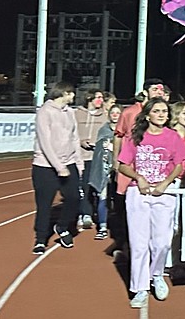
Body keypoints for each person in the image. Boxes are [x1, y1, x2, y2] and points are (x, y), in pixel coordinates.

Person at [116, 98, 185, 309]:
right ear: (148, 115)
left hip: (164, 194)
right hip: (138, 194)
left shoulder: (172, 137)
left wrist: (165, 183)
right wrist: (139, 178)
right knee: (139, 245)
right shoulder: (136, 137)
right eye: (157, 111)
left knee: (162, 242)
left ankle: (156, 274)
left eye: (164, 111)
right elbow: (122, 165)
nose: (162, 114)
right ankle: (139, 288)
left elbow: (179, 164)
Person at [111, 79, 167, 262]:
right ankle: (124, 244)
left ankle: (151, 250)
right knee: (125, 207)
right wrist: (115, 162)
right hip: (129, 166)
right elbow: (118, 136)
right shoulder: (129, 112)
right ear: (145, 92)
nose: (159, 92)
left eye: (161, 89)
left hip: (154, 167)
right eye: (154, 89)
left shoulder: (165, 113)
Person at [31, 82, 83, 254]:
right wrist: (58, 166)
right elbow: (44, 142)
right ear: (64, 93)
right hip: (45, 166)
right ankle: (40, 239)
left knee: (74, 197)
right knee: (45, 204)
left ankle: (62, 227)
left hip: (69, 162)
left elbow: (74, 138)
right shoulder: (45, 112)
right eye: (71, 93)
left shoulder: (70, 113)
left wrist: (78, 162)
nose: (73, 96)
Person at [75, 89, 108, 231]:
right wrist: (81, 141)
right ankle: (83, 213)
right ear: (89, 98)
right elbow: (71, 133)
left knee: (93, 186)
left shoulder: (104, 116)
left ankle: (89, 213)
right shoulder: (77, 114)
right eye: (98, 97)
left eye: (102, 98)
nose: (101, 100)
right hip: (79, 155)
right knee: (81, 186)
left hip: (96, 156)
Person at [88, 104, 122, 241]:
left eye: (118, 112)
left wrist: (114, 147)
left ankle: (119, 227)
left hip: (120, 169)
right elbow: (99, 151)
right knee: (103, 196)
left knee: (119, 198)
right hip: (104, 169)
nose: (115, 115)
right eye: (112, 112)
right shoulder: (103, 130)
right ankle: (102, 226)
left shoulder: (126, 130)